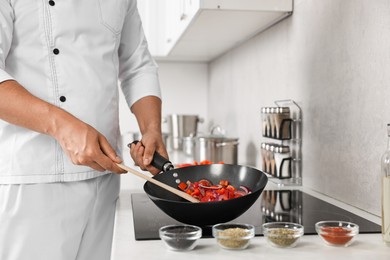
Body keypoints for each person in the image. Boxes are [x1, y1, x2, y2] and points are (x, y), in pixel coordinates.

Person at [0, 0, 168, 259]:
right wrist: (63, 126)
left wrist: (152, 129)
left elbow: (138, 66)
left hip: (105, 179)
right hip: (36, 180)